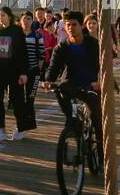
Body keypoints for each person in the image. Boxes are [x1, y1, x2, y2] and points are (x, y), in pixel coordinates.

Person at [43, 11, 103, 165]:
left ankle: (102, 155)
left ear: (81, 25)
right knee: (60, 88)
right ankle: (71, 120)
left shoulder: (92, 44)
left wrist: (100, 80)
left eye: (74, 24)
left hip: (91, 83)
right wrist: (49, 81)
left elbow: (103, 64)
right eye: (68, 25)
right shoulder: (62, 47)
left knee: (96, 118)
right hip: (71, 83)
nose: (71, 28)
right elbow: (54, 66)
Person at [0, 6, 32, 141]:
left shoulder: (17, 30)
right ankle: (1, 129)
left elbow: (23, 53)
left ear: (9, 16)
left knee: (17, 100)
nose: (0, 18)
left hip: (15, 71)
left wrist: (23, 72)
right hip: (0, 71)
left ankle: (20, 127)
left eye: (2, 15)